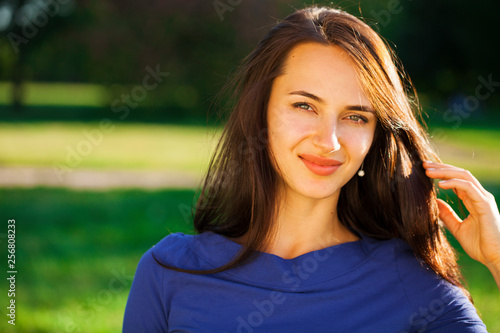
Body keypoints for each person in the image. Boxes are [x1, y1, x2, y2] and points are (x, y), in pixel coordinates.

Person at [123, 5, 500, 332]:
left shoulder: (410, 283)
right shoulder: (168, 271)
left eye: (355, 116)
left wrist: (498, 259)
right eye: (305, 106)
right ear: (261, 112)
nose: (329, 141)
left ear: (374, 138)